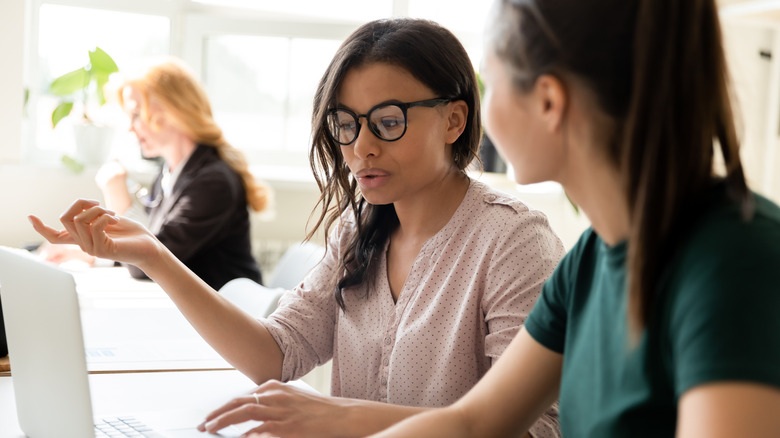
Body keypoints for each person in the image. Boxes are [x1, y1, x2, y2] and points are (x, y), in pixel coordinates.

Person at [29, 18, 566, 438]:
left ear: (454, 120)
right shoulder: (358, 237)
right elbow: (275, 354)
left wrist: (338, 418)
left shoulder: (512, 242)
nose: (361, 149)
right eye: (347, 125)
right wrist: (155, 257)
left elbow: (530, 429)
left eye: (389, 121)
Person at [367, 1, 780, 437]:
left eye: (492, 81)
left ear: (548, 101)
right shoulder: (590, 259)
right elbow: (472, 424)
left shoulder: (736, 263)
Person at [42, 59, 269, 290]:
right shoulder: (169, 173)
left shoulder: (214, 183)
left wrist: (118, 195)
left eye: (137, 114)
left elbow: (148, 262)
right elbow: (153, 241)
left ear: (173, 111)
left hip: (230, 314)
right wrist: (92, 255)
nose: (130, 127)